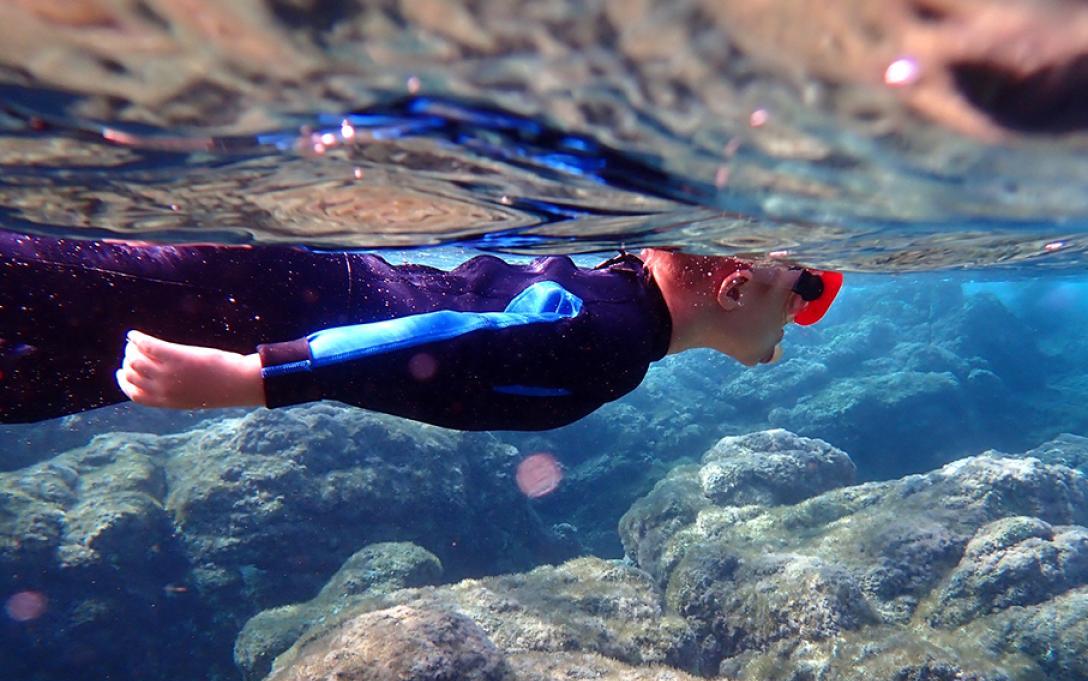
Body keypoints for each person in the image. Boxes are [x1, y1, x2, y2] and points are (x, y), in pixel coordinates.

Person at [0, 230, 840, 430]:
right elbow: (448, 338)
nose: (804, 318)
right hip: (292, 303)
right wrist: (255, 378)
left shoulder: (608, 287)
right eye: (805, 291)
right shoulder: (618, 346)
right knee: (31, 277)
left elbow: (485, 286)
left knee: (25, 381)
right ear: (735, 285)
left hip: (301, 288)